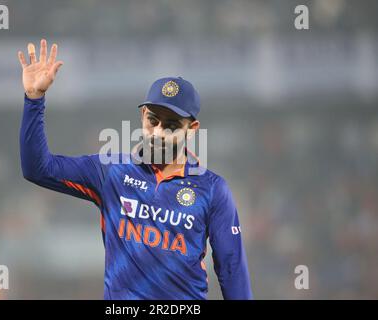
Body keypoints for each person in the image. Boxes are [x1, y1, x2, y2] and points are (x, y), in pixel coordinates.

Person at [18, 39, 253, 300]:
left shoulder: (212, 189)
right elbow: (37, 169)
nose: (159, 132)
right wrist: (34, 99)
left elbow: (231, 269)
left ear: (192, 128)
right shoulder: (111, 171)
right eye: (153, 120)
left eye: (172, 125)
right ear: (142, 116)